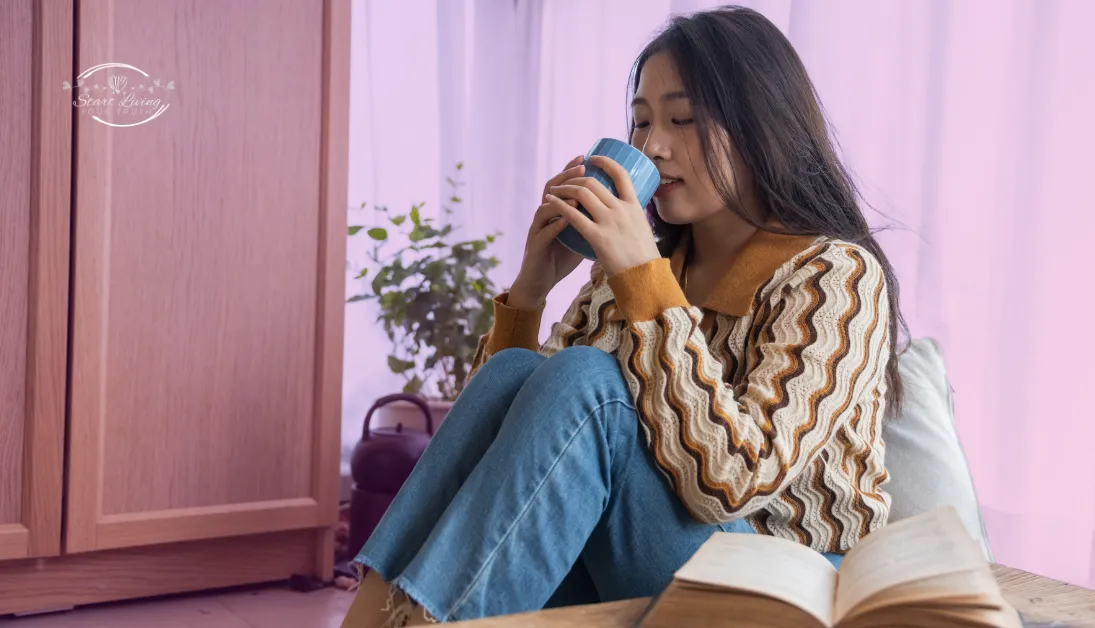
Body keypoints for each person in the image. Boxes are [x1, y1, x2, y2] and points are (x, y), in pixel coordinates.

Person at [341, 6, 908, 627]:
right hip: (641, 557)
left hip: (786, 585)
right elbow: (507, 455)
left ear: (760, 127)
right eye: (640, 122)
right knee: (515, 379)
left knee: (591, 384)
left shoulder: (835, 275)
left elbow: (733, 482)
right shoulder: (636, 269)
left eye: (682, 119)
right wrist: (531, 290)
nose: (652, 147)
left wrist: (644, 282)